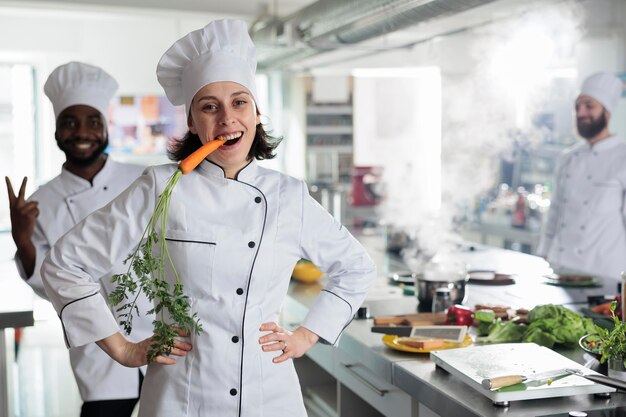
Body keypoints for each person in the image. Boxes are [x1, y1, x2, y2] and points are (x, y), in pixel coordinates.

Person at [40, 19, 376, 417]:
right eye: (209, 107)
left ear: (256, 112)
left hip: (268, 395)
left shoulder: (288, 196)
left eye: (239, 102)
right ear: (192, 121)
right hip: (181, 395)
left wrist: (307, 334)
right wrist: (123, 348)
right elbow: (64, 265)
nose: (226, 120)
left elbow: (355, 267)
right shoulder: (160, 188)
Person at [6, 61, 154, 417]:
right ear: (56, 131)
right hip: (97, 347)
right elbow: (51, 283)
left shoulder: (146, 181)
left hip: (158, 332)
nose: (81, 131)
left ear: (105, 128)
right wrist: (23, 240)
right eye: (69, 122)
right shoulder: (41, 201)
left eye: (92, 121)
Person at [537, 71, 625, 280]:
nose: (581, 112)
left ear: (608, 111)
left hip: (604, 276)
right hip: (560, 270)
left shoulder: (623, 157)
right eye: (577, 107)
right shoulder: (567, 158)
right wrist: (543, 256)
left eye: (589, 106)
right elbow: (555, 214)